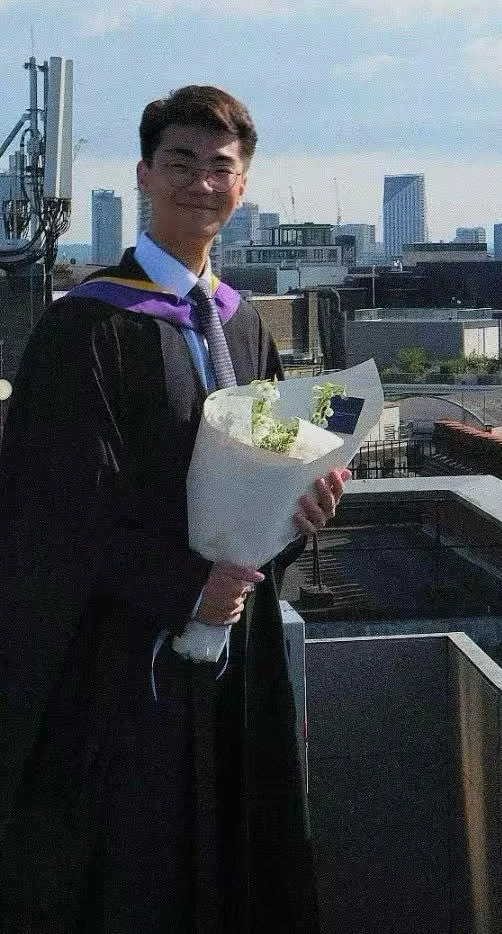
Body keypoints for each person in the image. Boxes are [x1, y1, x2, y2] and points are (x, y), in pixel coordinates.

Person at [0, 86, 344, 933]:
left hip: (234, 650)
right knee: (137, 873)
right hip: (122, 662)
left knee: (234, 856)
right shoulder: (84, 327)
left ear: (243, 184)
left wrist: (298, 514)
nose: (201, 182)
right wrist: (185, 587)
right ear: (146, 176)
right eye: (181, 163)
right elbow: (55, 508)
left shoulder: (246, 325)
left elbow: (262, 470)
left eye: (220, 167)